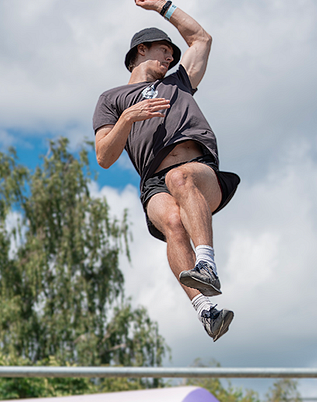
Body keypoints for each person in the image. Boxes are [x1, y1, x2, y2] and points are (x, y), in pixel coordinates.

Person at [92, 0, 240, 342]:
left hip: (198, 170)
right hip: (154, 182)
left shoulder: (179, 83)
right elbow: (103, 156)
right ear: (141, 50)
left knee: (180, 177)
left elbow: (201, 39)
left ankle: (207, 264)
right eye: (163, 50)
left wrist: (162, 6)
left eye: (173, 53)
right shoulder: (111, 100)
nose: (170, 57)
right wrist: (129, 117)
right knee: (171, 221)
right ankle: (206, 311)